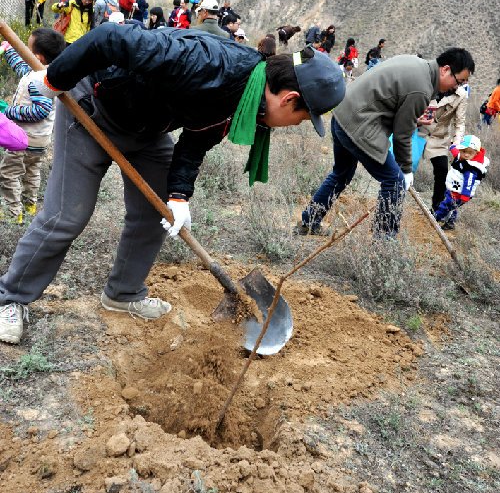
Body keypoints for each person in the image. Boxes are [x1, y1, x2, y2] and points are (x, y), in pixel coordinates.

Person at [0, 29, 345, 344]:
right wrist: (55, 78)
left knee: (157, 211)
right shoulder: (208, 61)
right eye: (301, 118)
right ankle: (11, 298)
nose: (294, 125)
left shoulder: (246, 97)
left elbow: (197, 138)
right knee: (67, 216)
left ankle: (123, 294)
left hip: (147, 129)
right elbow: (109, 39)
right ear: (289, 98)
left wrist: (179, 195)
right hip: (93, 107)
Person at [299, 48, 475, 238]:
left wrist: (413, 119)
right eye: (459, 82)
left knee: (341, 173)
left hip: (343, 115)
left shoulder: (416, 64)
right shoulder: (421, 88)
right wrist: (406, 171)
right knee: (394, 182)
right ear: (445, 69)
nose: (457, 88)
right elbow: (402, 135)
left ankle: (309, 221)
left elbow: (391, 104)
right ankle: (383, 245)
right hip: (359, 125)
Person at [0, 29, 65, 224]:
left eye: (25, 49)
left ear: (37, 57)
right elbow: (22, 68)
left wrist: (10, 112)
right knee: (32, 172)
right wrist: (9, 50)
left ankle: (14, 213)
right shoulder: (42, 73)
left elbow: (41, 110)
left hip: (23, 139)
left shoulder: (38, 81)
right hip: (40, 141)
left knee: (9, 173)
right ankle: (30, 204)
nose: (23, 51)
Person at [417, 83, 468, 211]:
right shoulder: (430, 84)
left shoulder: (461, 95)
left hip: (439, 138)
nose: (462, 82)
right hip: (418, 132)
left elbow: (460, 123)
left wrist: (456, 145)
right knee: (405, 167)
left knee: (442, 170)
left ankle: (437, 209)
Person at [433, 135, 489, 230]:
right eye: (463, 151)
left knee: (446, 205)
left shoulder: (471, 168)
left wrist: (465, 196)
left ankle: (435, 218)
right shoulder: (462, 157)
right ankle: (450, 223)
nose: (466, 155)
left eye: (470, 153)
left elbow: (469, 182)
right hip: (453, 188)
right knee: (453, 207)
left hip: (459, 193)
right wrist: (452, 147)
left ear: (476, 153)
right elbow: (456, 153)